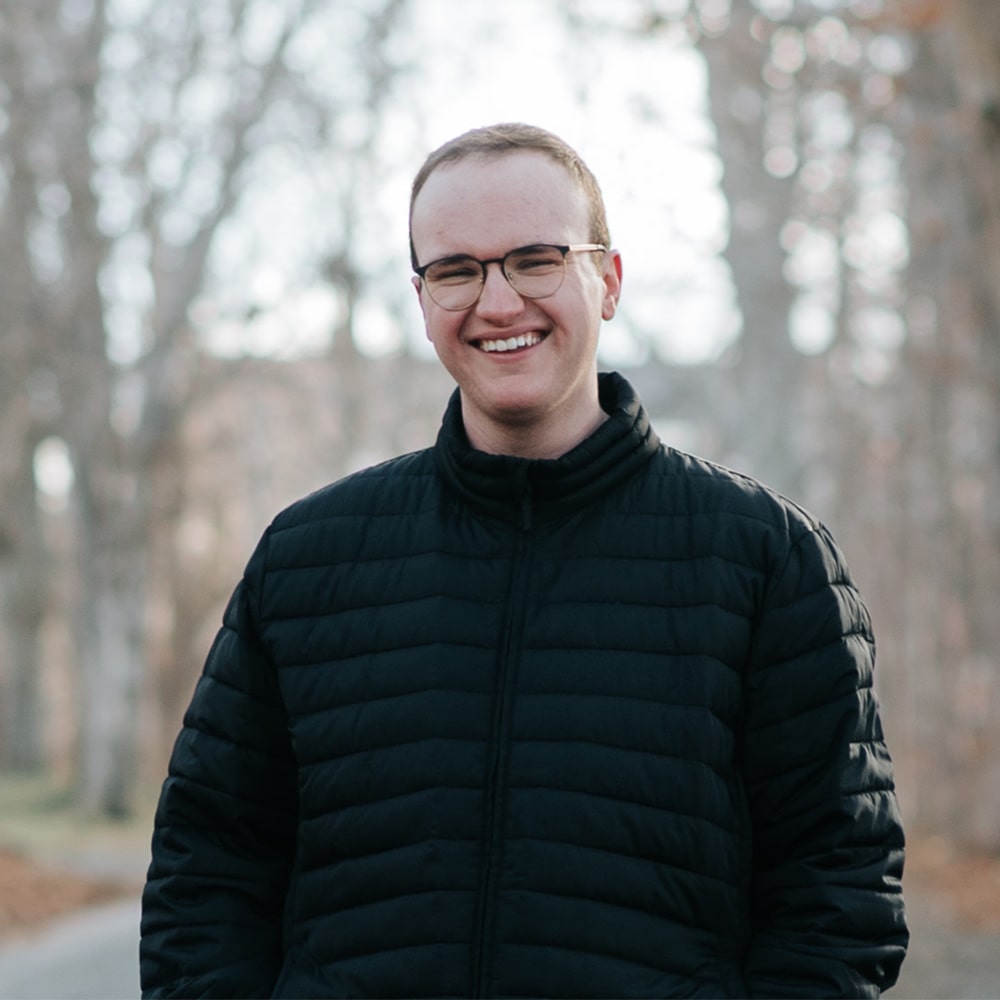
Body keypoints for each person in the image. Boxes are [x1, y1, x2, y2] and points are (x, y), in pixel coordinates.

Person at [140, 122, 908, 998]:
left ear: (607, 281)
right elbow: (209, 870)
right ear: (424, 298)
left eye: (536, 259)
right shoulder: (309, 561)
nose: (497, 303)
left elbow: (838, 891)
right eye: (456, 270)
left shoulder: (765, 559)